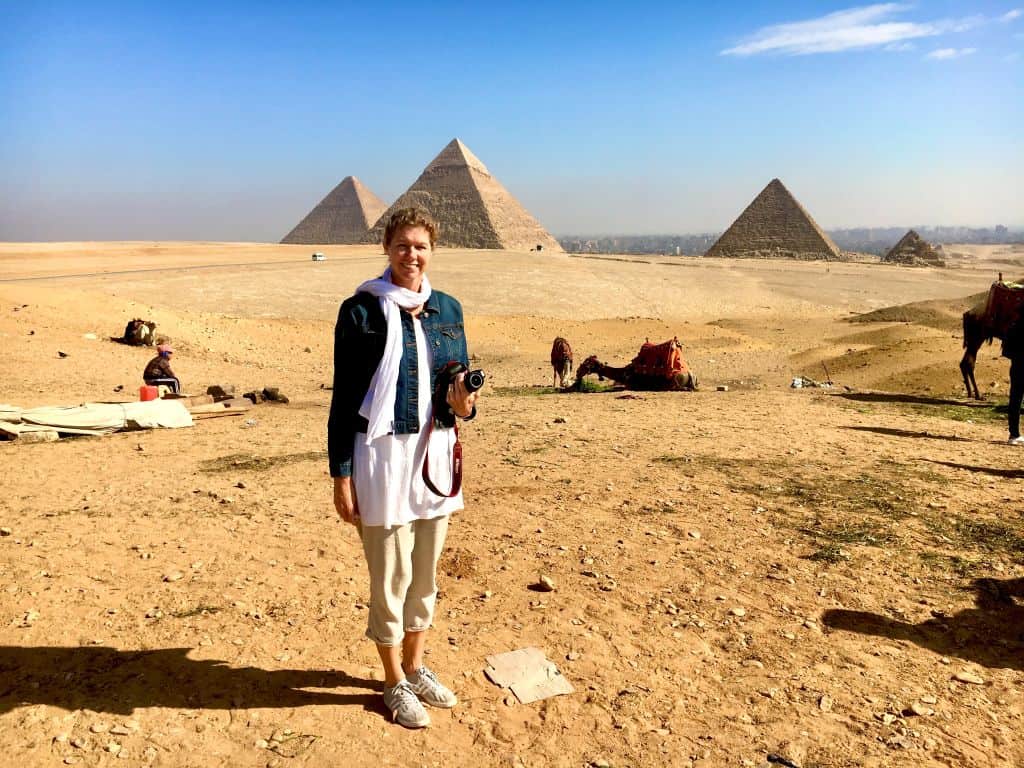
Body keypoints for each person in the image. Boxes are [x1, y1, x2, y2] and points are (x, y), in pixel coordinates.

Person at [328, 207, 479, 728]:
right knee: (388, 578)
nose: (411, 255)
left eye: (420, 246)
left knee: (425, 575)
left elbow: (457, 388)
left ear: (431, 249)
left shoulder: (448, 308)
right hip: (382, 457)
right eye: (402, 245)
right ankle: (392, 681)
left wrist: (464, 402)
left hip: (435, 454)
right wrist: (341, 473)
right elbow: (345, 400)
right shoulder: (360, 312)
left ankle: (416, 666)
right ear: (387, 248)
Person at [1002, 306, 1024, 445]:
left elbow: (1006, 351)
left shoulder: (1014, 327)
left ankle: (1014, 434)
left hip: (1017, 368)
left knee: (1015, 401)